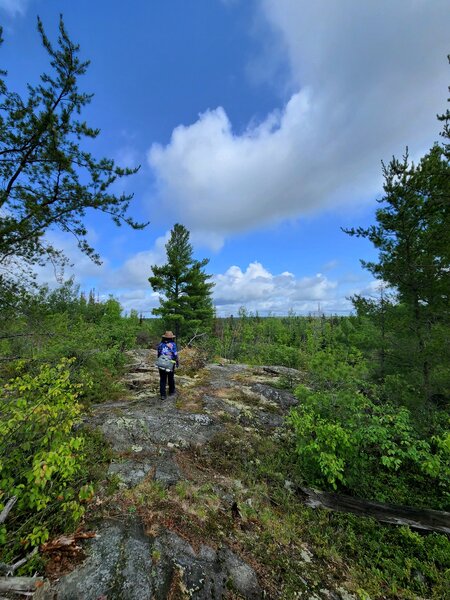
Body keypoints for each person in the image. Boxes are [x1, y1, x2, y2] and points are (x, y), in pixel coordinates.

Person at [157, 330, 179, 399]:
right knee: (170, 378)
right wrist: (177, 362)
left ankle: (163, 395)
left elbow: (158, 353)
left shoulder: (161, 344)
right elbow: (175, 354)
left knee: (162, 379)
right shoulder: (173, 344)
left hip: (162, 362)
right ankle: (171, 391)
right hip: (170, 363)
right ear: (171, 338)